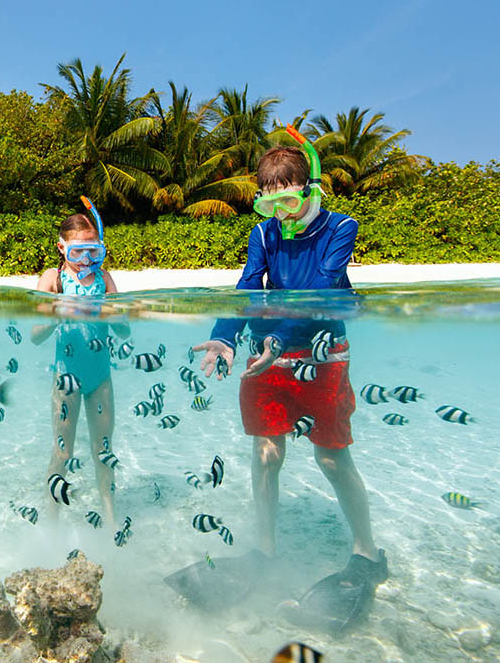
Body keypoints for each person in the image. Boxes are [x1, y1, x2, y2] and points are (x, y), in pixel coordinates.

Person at [193, 131, 387, 629]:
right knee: (266, 455)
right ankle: (264, 550)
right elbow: (246, 286)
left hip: (322, 356)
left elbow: (320, 289)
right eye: (270, 203)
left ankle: (368, 553)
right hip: (268, 356)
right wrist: (225, 337)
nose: (280, 213)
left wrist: (274, 340)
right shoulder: (264, 234)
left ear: (310, 188)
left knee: (331, 457)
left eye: (289, 199)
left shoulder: (342, 226)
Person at [31, 198, 128, 527]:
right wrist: (60, 308)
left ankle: (111, 517)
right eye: (78, 252)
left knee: (104, 450)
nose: (86, 260)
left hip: (100, 378)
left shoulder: (104, 278)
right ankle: (51, 520)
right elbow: (35, 334)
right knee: (63, 451)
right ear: (61, 248)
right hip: (66, 380)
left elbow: (124, 329)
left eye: (93, 252)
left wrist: (110, 307)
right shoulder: (52, 279)